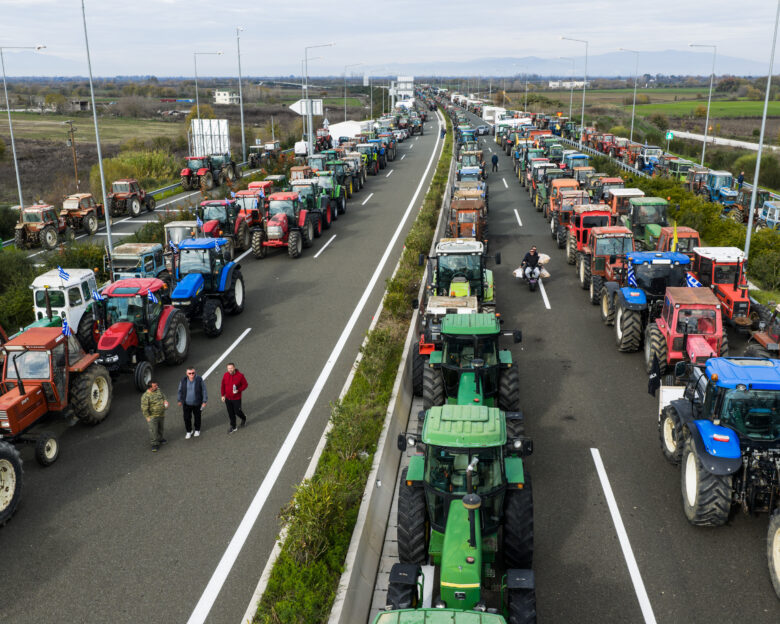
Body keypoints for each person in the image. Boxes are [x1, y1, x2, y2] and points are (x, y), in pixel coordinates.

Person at [177, 367, 207, 439]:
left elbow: (204, 390)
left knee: (197, 417)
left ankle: (197, 430)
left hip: (197, 403)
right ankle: (189, 431)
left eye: (193, 373)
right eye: (189, 373)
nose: (191, 375)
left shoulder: (199, 379)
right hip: (186, 404)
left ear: (195, 372)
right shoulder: (183, 380)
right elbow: (180, 390)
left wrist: (204, 401)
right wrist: (179, 400)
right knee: (186, 418)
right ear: (186, 373)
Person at [221, 363, 248, 434]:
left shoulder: (240, 376)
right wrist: (223, 395)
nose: (230, 370)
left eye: (231, 368)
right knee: (231, 413)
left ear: (234, 368)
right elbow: (223, 385)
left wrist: (238, 390)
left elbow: (245, 385)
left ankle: (244, 418)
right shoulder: (225, 375)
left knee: (237, 411)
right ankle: (233, 427)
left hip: (236, 398)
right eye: (228, 368)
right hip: (228, 398)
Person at [141, 380, 168, 452]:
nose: (157, 387)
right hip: (153, 416)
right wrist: (147, 417)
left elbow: (163, 396)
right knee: (153, 430)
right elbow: (144, 408)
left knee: (160, 428)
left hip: (161, 414)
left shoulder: (158, 390)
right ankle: (154, 444)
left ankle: (160, 438)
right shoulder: (145, 396)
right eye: (155, 386)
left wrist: (165, 401)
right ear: (150, 388)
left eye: (157, 385)